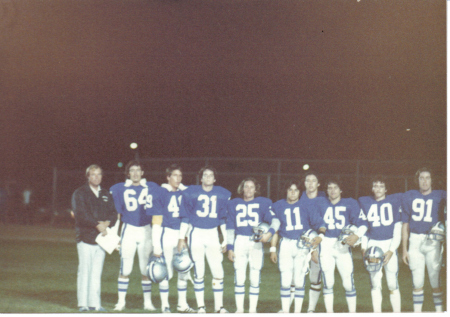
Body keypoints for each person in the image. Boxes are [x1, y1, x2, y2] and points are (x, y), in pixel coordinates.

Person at [109, 161, 160, 311]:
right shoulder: (119, 188)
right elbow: (117, 214)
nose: (136, 173)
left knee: (145, 269)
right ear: (128, 173)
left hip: (146, 230)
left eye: (138, 170)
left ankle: (147, 302)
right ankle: (121, 302)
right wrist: (114, 235)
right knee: (125, 269)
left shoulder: (151, 187)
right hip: (129, 229)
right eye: (132, 170)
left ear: (143, 173)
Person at [270, 180, 325, 313]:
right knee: (285, 280)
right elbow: (275, 230)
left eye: (295, 190)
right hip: (286, 244)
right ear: (286, 191)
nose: (293, 192)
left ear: (300, 192)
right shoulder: (278, 205)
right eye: (290, 189)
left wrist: (320, 237)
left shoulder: (307, 205)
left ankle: (297, 312)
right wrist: (272, 249)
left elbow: (320, 224)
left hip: (302, 244)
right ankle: (285, 311)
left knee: (299, 280)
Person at [226, 177, 280, 313]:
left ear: (256, 189)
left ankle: (252, 311)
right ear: (242, 188)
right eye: (246, 186)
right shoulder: (234, 203)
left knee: (255, 276)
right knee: (239, 277)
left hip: (256, 242)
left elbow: (276, 221)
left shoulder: (263, 203)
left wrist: (269, 234)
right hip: (240, 241)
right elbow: (230, 227)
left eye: (251, 187)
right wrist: (230, 248)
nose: (249, 189)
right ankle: (239, 310)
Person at [181, 166, 231, 313]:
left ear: (215, 179)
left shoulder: (222, 194)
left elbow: (223, 218)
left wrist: (225, 239)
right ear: (201, 178)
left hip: (212, 234)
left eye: (211, 175)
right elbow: (186, 217)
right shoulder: (191, 192)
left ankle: (219, 307)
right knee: (199, 271)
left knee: (218, 271)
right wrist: (181, 237)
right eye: (205, 175)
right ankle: (201, 307)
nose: (208, 178)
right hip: (196, 233)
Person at [148, 164, 196, 313]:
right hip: (166, 234)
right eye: (174, 175)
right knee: (166, 271)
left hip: (180, 235)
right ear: (167, 177)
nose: (178, 178)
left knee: (183, 270)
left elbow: (187, 216)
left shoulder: (184, 193)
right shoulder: (160, 192)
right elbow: (156, 221)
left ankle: (182, 304)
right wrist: (156, 245)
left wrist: (184, 236)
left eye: (180, 176)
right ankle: (165, 305)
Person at [316, 178, 368, 313]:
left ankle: (352, 313)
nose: (332, 190)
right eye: (329, 187)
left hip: (342, 246)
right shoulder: (320, 203)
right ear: (326, 190)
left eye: (335, 187)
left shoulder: (350, 203)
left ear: (341, 190)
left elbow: (363, 223)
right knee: (328, 282)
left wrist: (357, 235)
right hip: (326, 244)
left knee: (348, 283)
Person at [72, 164, 117, 312]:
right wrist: (97, 225)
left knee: (97, 272)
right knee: (85, 271)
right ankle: (83, 304)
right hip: (86, 237)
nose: (96, 177)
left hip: (102, 239)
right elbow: (81, 214)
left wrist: (107, 223)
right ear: (88, 176)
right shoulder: (80, 193)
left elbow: (113, 213)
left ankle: (95, 304)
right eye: (93, 174)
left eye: (99, 174)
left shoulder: (105, 193)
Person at [401, 167, 446, 312]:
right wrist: (404, 250)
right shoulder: (410, 195)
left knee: (435, 281)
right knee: (417, 281)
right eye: (421, 178)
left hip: (433, 241)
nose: (425, 181)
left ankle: (440, 313)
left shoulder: (441, 195)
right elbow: (405, 225)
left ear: (432, 180)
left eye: (427, 177)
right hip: (414, 241)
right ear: (417, 180)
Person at [358, 176, 402, 312]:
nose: (378, 188)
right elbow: (364, 228)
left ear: (386, 189)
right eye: (375, 185)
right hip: (373, 245)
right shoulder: (365, 203)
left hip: (388, 244)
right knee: (375, 283)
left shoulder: (394, 202)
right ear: (372, 188)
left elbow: (398, 229)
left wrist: (391, 249)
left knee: (392, 284)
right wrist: (364, 246)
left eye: (381, 186)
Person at [299, 171, 327, 313]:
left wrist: (315, 248)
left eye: (313, 180)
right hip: (301, 241)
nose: (310, 183)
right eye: (307, 180)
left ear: (318, 183)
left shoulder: (324, 200)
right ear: (304, 183)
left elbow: (324, 225)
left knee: (315, 276)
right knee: (295, 275)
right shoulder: (298, 198)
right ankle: (290, 308)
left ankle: (311, 310)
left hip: (320, 242)